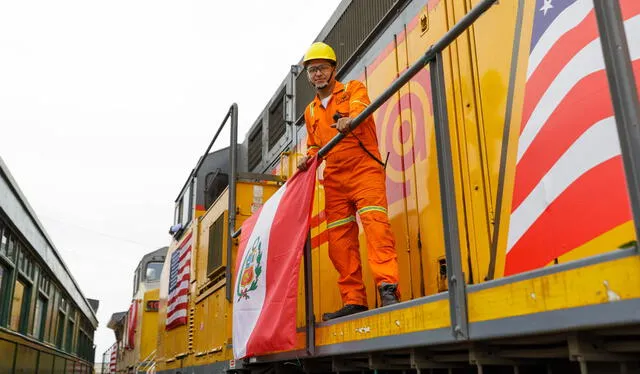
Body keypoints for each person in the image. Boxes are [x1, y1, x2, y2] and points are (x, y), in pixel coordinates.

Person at [297, 42, 400, 321]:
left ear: (334, 70)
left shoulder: (353, 88)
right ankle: (354, 300)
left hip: (364, 168)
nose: (317, 74)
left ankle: (388, 287)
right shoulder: (310, 112)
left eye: (322, 68)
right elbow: (312, 145)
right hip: (334, 178)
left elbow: (360, 108)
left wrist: (350, 119)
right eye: (312, 70)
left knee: (376, 228)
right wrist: (306, 157)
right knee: (340, 243)